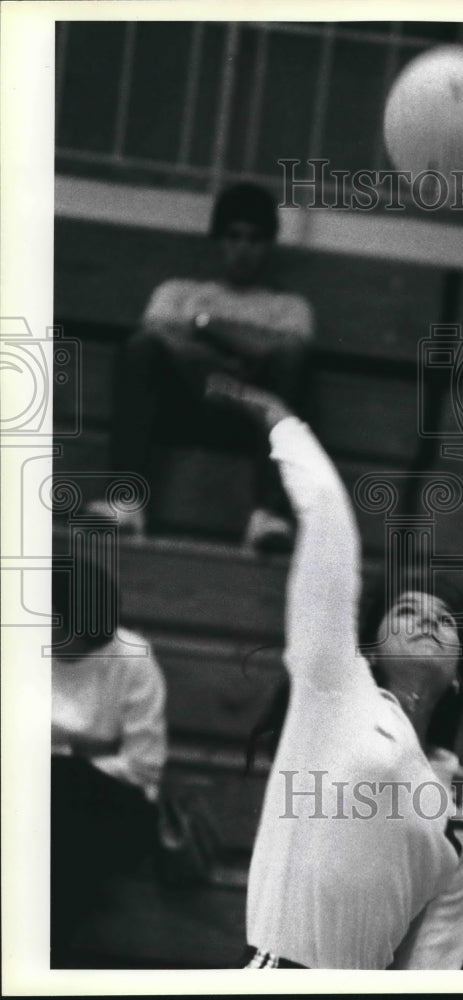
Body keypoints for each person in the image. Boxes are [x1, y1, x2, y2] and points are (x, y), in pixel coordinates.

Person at [206, 373, 463, 970]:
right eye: (407, 611)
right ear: (370, 649)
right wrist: (281, 418)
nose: (430, 621)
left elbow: (433, 967)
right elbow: (330, 519)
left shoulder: (460, 819)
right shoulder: (336, 688)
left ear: (458, 674)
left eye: (445, 621)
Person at [89, 182, 314, 550]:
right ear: (218, 240)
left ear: (269, 245)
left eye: (255, 239)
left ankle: (269, 515)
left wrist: (206, 328)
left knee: (289, 365)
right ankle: (127, 501)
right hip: (181, 407)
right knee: (142, 349)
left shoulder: (289, 308)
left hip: (251, 419)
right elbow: (154, 341)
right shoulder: (177, 294)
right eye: (234, 236)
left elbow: (289, 352)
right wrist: (241, 356)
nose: (243, 250)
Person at [50, 549, 167, 966]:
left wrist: (68, 761)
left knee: (61, 792)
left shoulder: (131, 658)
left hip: (109, 806)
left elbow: (143, 764)